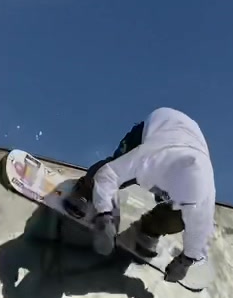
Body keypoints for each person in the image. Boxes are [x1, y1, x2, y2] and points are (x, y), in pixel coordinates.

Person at [64, 107, 216, 283]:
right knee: (121, 169)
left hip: (191, 144)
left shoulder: (203, 198)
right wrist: (104, 216)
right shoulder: (151, 156)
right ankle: (85, 190)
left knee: (179, 218)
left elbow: (200, 233)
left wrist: (185, 261)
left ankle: (149, 229)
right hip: (161, 125)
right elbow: (109, 174)